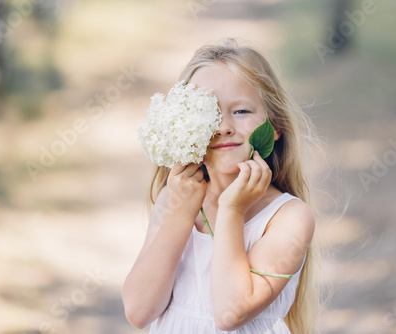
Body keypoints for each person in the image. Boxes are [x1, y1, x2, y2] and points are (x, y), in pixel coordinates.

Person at [123, 39, 321, 334]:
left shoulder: (289, 217)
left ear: (275, 127)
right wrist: (180, 213)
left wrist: (232, 209)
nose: (223, 127)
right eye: (209, 113)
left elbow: (230, 314)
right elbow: (139, 312)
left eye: (241, 111)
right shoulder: (174, 200)